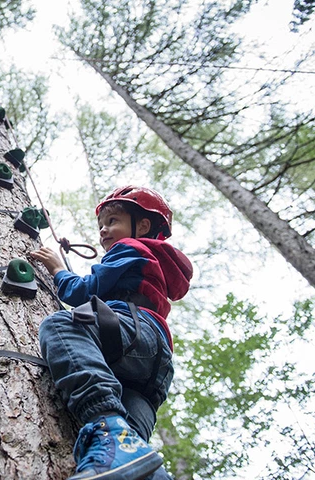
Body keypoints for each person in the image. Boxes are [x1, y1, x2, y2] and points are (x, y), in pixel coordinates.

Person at [30, 185, 192, 480]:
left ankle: (109, 433)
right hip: (153, 366)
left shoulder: (131, 248)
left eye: (113, 222)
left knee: (61, 326)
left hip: (133, 332)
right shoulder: (151, 262)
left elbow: (83, 291)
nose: (104, 230)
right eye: (101, 225)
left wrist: (57, 269)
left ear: (142, 225)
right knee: (135, 447)